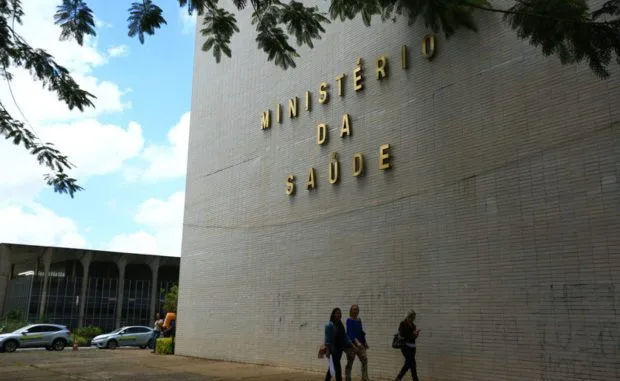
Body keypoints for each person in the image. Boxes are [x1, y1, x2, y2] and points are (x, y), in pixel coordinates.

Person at [324, 307, 354, 381]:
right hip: (333, 350)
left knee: (332, 367)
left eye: (340, 313)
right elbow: (327, 339)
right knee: (337, 368)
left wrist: (352, 345)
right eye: (337, 313)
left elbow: (344, 336)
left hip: (339, 349)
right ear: (333, 314)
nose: (339, 314)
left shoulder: (340, 324)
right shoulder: (329, 325)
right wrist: (327, 350)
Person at [395, 310, 421, 381]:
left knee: (408, 363)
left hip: (412, 348)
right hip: (405, 347)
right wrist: (412, 334)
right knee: (413, 364)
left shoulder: (413, 325)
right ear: (407, 317)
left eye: (413, 318)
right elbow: (402, 335)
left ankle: (398, 378)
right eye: (410, 317)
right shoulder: (402, 324)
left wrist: (416, 335)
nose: (411, 319)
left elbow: (413, 338)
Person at [345, 304, 369, 381]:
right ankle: (348, 378)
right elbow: (350, 333)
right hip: (352, 345)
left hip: (360, 344)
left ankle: (364, 378)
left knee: (364, 360)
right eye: (353, 309)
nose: (355, 311)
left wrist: (365, 342)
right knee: (350, 362)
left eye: (356, 309)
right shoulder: (349, 320)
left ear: (358, 310)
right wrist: (356, 342)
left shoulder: (359, 320)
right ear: (351, 310)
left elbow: (361, 332)